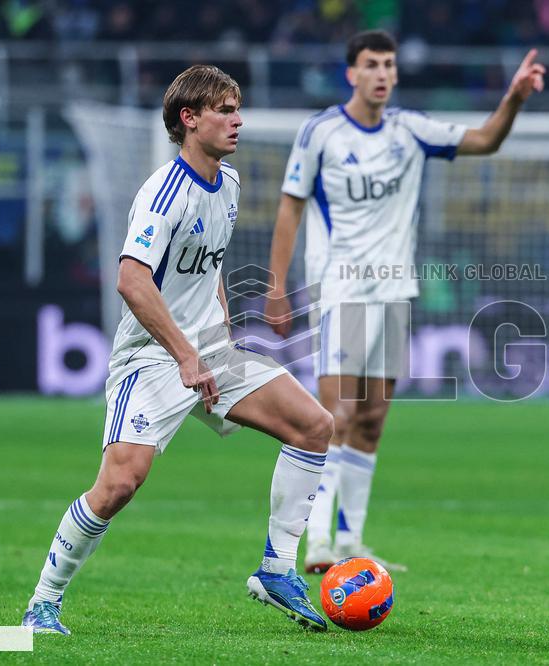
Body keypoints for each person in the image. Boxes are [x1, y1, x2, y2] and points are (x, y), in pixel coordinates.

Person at [21, 64, 334, 634]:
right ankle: (43, 603)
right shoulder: (163, 194)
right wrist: (186, 354)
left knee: (314, 425)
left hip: (211, 348)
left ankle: (277, 569)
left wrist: (217, 335)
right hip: (152, 356)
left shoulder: (230, 183)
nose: (237, 120)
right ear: (189, 120)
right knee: (118, 485)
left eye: (238, 107)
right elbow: (132, 280)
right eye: (224, 109)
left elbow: (208, 266)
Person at [264, 30, 545, 573]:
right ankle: (317, 541)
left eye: (389, 65)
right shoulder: (320, 132)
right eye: (371, 64)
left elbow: (486, 140)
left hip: (395, 289)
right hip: (341, 287)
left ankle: (350, 541)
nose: (382, 74)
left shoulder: (410, 130)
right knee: (335, 414)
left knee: (371, 418)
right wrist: (277, 287)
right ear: (351, 74)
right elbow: (289, 209)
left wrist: (513, 98)